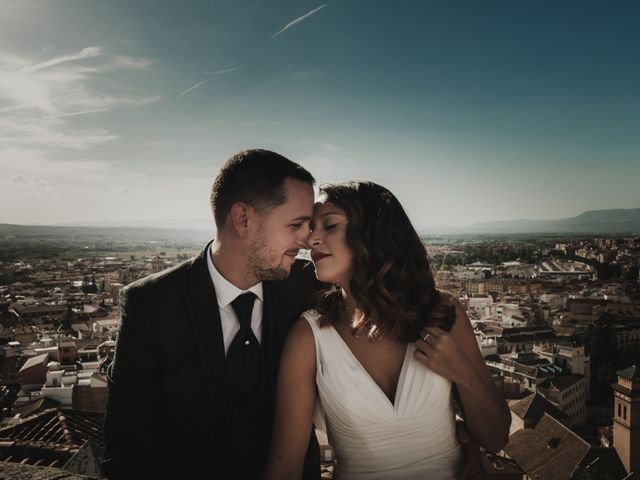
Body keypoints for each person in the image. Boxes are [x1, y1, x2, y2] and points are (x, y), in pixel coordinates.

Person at [265, 181, 511, 480]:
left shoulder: (443, 314)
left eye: (329, 226)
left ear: (373, 234)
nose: (311, 240)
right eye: (311, 227)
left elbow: (496, 438)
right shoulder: (308, 337)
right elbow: (284, 467)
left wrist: (463, 373)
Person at [102, 149, 323, 479]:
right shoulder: (151, 305)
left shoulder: (308, 283)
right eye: (296, 225)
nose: (307, 240)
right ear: (243, 219)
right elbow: (127, 445)